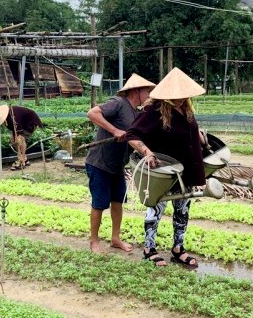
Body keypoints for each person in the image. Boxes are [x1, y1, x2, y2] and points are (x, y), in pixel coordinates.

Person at [126, 67, 207, 268]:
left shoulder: (187, 109)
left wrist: (199, 136)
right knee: (156, 209)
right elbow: (132, 135)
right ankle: (149, 249)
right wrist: (147, 152)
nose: (181, 98)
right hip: (163, 171)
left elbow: (188, 129)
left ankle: (178, 248)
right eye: (177, 95)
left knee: (182, 209)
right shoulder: (153, 111)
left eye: (183, 95)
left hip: (185, 170)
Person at [85, 74, 156, 253]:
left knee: (118, 201)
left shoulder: (137, 113)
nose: (149, 94)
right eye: (147, 91)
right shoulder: (118, 102)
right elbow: (92, 113)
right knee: (100, 203)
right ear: (136, 91)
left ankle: (115, 238)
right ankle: (94, 241)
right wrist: (115, 130)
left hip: (117, 165)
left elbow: (136, 138)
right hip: (99, 162)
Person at [0, 104, 43, 171]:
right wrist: (13, 137)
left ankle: (21, 161)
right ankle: (25, 159)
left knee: (20, 139)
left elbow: (19, 131)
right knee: (13, 141)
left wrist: (17, 139)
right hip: (21, 123)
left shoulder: (13, 116)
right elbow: (13, 128)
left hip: (30, 122)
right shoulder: (7, 117)